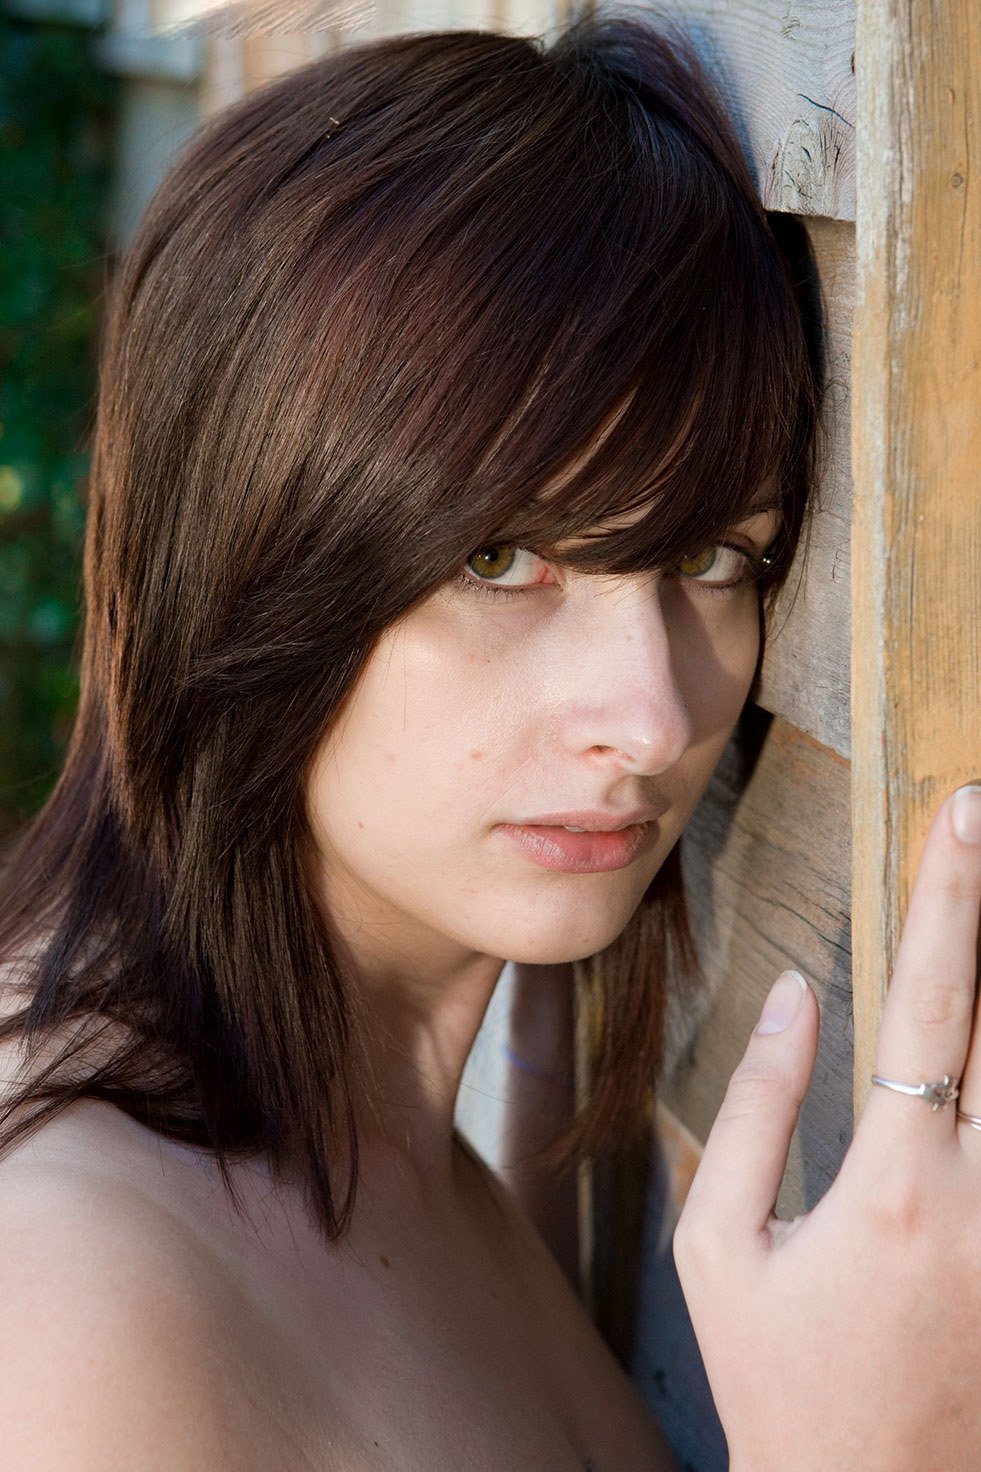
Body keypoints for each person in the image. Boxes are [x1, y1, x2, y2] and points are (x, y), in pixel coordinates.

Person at [0, 13, 978, 1470]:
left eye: (710, 557)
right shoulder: (67, 1313)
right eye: (501, 561)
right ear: (240, 555)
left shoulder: (388, 1141)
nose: (651, 719)